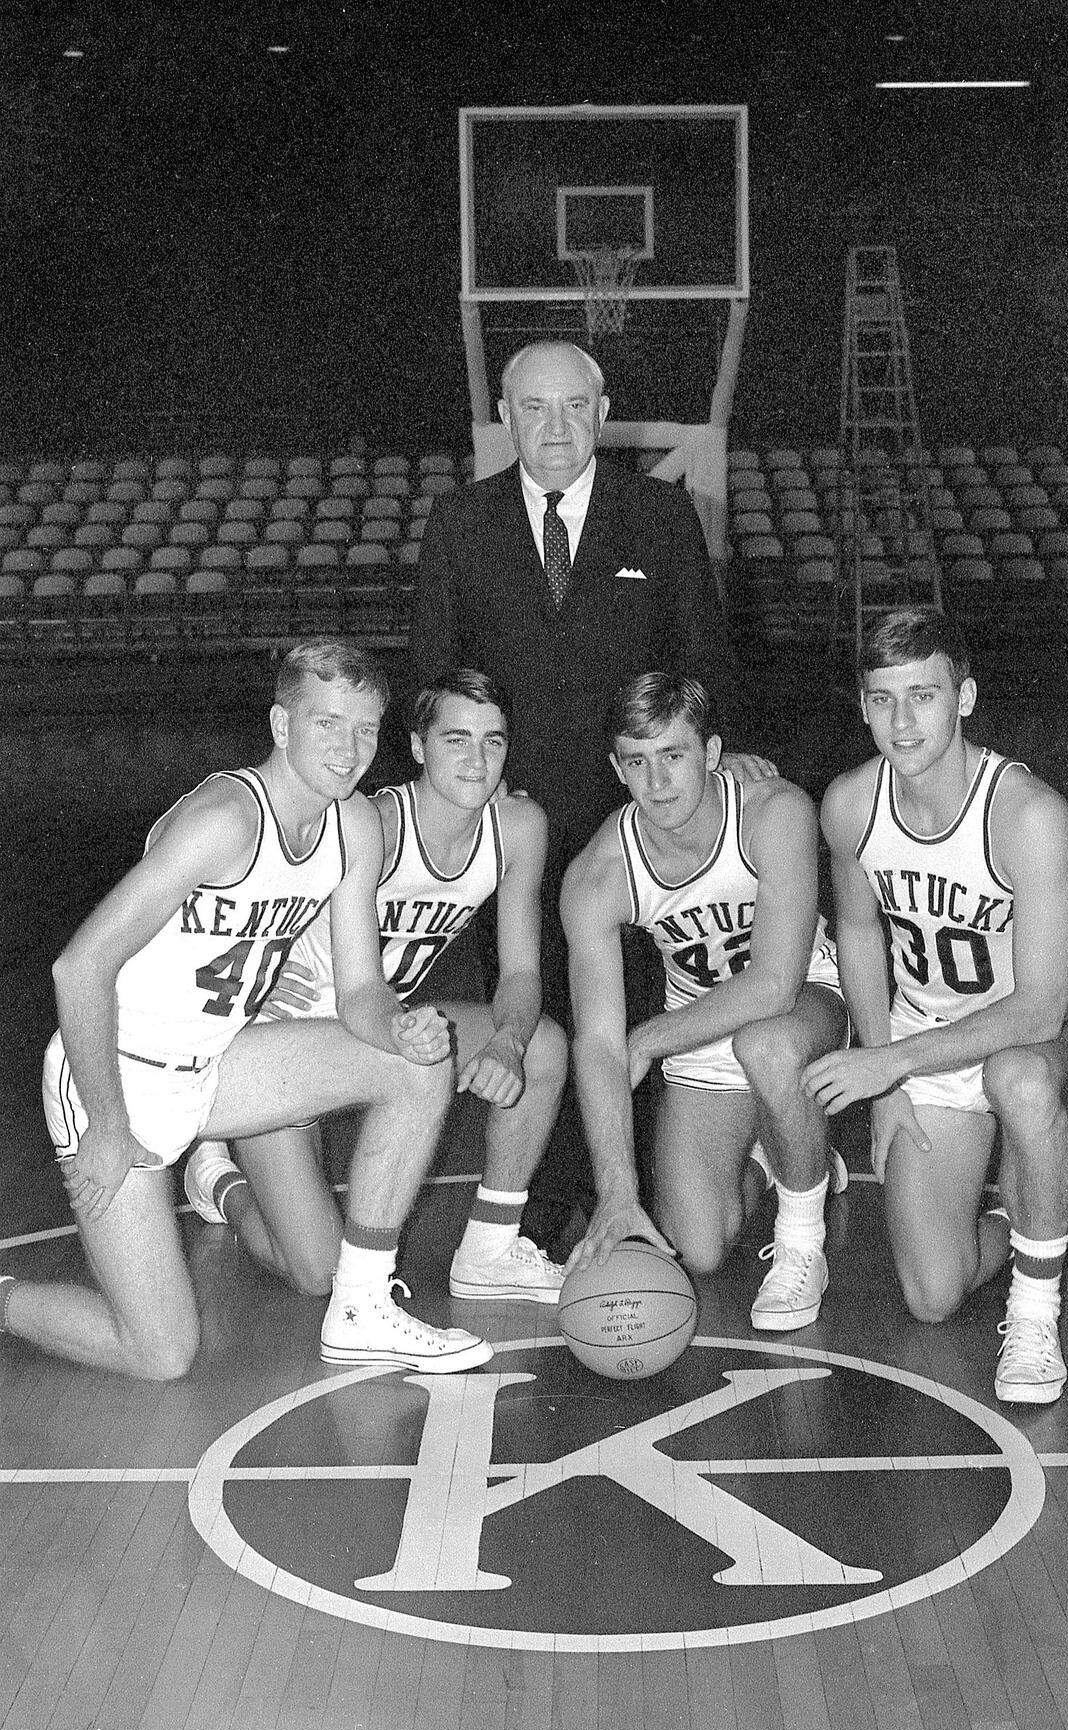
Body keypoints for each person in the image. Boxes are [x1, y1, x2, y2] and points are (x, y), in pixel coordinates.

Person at [0, 640, 495, 1380]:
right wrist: (105, 1124)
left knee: (417, 1066)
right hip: (116, 1076)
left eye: (365, 729)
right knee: (161, 1354)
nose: (349, 748)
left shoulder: (354, 825)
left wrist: (397, 1026)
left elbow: (360, 989)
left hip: (214, 1066)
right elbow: (80, 966)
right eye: (327, 723)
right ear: (281, 724)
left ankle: (362, 1308)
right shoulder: (226, 819)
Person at [410, 339, 771, 1253]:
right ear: (506, 415)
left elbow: (703, 654)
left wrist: (736, 759)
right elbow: (433, 675)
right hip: (517, 818)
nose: (558, 426)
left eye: (575, 406)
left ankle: (641, 1180)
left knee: (640, 1004)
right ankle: (546, 1193)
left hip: (636, 815)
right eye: (535, 407)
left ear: (604, 414)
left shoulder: (660, 515)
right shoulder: (458, 525)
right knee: (529, 1010)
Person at [803, 608, 1068, 1406]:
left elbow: (1037, 1010)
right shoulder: (851, 805)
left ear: (964, 698)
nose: (901, 720)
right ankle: (1052, 1208)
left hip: (1037, 1033)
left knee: (1019, 1080)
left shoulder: (1027, 813)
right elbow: (858, 935)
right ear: (861, 707)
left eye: (922, 695)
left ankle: (1034, 1314)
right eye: (882, 700)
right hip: (923, 1035)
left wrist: (890, 1064)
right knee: (932, 1294)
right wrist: (888, 1088)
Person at [183, 668, 568, 1304]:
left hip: (384, 1021)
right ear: (416, 747)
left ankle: (490, 1250)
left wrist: (509, 1043)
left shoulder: (519, 827)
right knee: (319, 1275)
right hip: (291, 1031)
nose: (477, 761)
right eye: (455, 740)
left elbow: (521, 971)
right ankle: (218, 1180)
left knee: (543, 1045)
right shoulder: (374, 826)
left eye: (493, 742)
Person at [561, 672, 847, 1331]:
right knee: (698, 1247)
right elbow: (598, 1040)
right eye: (637, 761)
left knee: (767, 1043)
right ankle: (778, 1151)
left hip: (803, 1004)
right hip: (699, 1028)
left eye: (674, 756)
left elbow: (774, 983)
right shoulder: (598, 875)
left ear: (712, 753)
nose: (657, 783)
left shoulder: (774, 811)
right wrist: (617, 1193)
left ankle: (804, 1245)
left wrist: (652, 1038)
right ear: (616, 767)